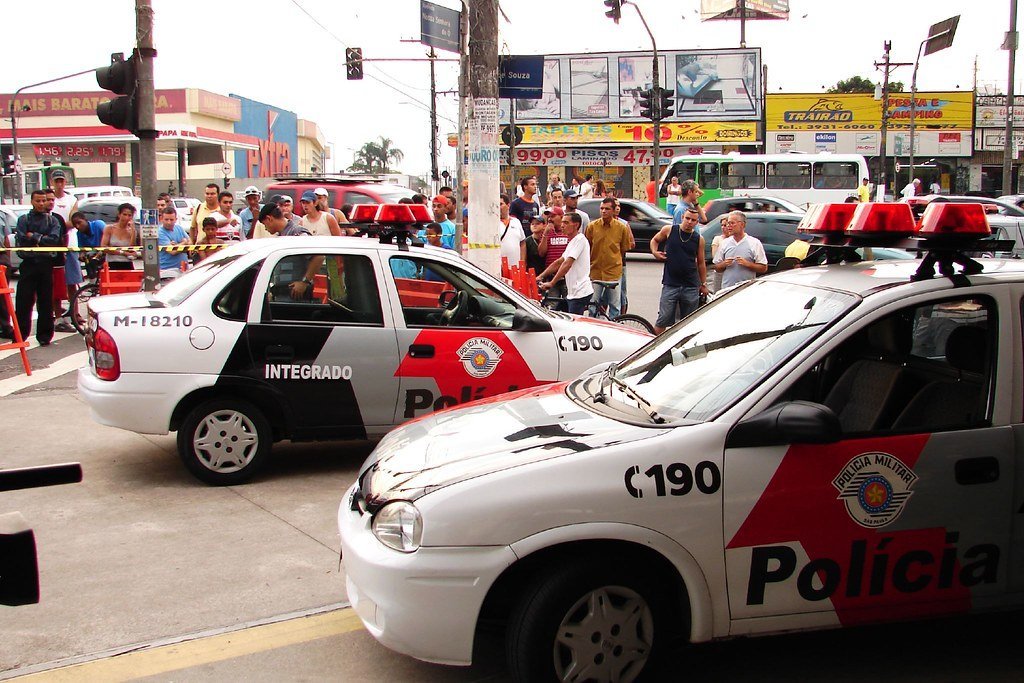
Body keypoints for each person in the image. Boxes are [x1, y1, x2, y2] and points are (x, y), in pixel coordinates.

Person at [14, 190, 65, 346]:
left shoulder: (53, 221)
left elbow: (54, 240)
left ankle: (44, 335)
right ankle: (20, 334)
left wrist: (34, 237)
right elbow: (21, 238)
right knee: (23, 301)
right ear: (32, 201)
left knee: (45, 302)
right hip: (28, 264)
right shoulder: (23, 219)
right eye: (38, 201)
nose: (42, 203)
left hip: (45, 264)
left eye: (44, 200)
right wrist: (40, 239)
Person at [650, 206, 707, 333]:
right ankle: (654, 346)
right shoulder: (669, 230)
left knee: (688, 322)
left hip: (690, 285)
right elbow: (655, 240)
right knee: (663, 318)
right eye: (687, 218)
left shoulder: (699, 239)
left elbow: (701, 263)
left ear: (697, 222)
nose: (689, 222)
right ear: (682, 217)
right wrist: (655, 252)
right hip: (671, 283)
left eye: (693, 220)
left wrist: (703, 284)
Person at [537, 213, 593, 315]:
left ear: (576, 225)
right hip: (573, 292)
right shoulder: (571, 241)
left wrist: (552, 283)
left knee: (574, 326)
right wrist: (541, 276)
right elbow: (559, 262)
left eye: (566, 223)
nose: (562, 225)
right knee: (561, 315)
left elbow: (567, 264)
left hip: (580, 292)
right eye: (562, 222)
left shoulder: (580, 240)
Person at [713, 211, 768, 289]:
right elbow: (716, 267)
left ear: (742, 224)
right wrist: (724, 264)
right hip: (727, 290)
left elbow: (763, 268)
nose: (729, 226)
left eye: (732, 223)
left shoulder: (754, 243)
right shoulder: (724, 243)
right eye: (728, 223)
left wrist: (748, 264)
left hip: (746, 290)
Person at [537, 207, 570, 303]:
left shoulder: (568, 232)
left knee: (567, 304)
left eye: (553, 216)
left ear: (561, 217)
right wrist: (545, 234)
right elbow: (541, 253)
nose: (550, 219)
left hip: (566, 276)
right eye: (549, 216)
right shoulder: (547, 232)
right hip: (551, 276)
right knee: (552, 304)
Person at [101, 202, 138, 271]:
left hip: (126, 263)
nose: (126, 217)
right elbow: (104, 247)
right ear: (119, 215)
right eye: (124, 214)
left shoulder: (132, 231)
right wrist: (123, 253)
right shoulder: (109, 228)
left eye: (129, 215)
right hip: (111, 262)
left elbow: (131, 249)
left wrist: (133, 232)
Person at [157, 206, 191, 276]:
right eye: (166, 219)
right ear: (161, 219)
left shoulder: (179, 228)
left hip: (183, 269)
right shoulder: (160, 232)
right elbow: (172, 251)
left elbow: (190, 242)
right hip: (167, 270)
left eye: (171, 219)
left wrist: (177, 246)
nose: (169, 222)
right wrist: (184, 243)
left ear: (176, 219)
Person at [498, 193, 526, 267]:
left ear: (508, 205)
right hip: (498, 268)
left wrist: (522, 262)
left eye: (501, 204)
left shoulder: (516, 222)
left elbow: (522, 243)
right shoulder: (492, 224)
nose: (498, 207)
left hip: (515, 268)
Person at [708, 215, 733, 293]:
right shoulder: (718, 239)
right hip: (720, 271)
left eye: (725, 225)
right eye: (722, 225)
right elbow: (715, 258)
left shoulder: (734, 239)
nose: (723, 227)